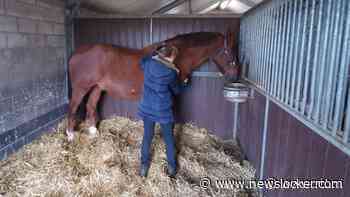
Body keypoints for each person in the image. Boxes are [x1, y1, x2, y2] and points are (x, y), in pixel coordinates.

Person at [138, 44, 185, 178]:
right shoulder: (171, 73)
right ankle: (171, 168)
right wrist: (185, 82)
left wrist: (155, 53)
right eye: (173, 58)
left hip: (147, 107)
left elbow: (142, 61)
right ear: (168, 57)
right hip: (163, 109)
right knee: (169, 139)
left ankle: (144, 167)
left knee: (147, 136)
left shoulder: (148, 64)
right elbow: (177, 91)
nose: (174, 61)